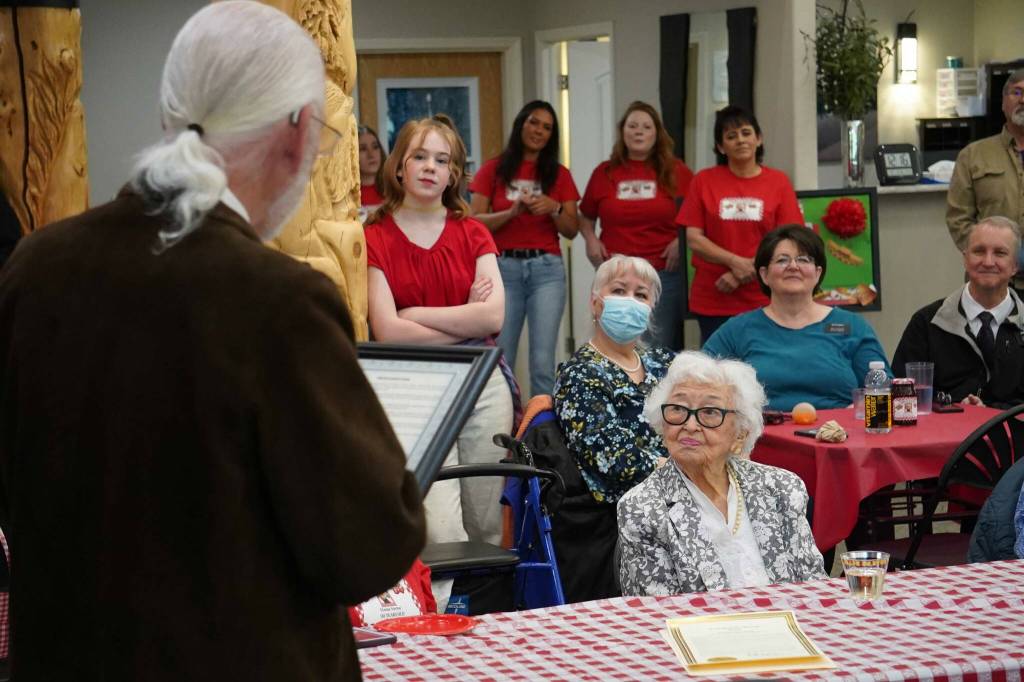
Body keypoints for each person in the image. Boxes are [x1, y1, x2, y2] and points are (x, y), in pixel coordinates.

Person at [0, 3, 425, 680]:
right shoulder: (276, 299)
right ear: (297, 130)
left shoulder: (35, 268)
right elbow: (365, 547)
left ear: (171, 118)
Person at [365, 118, 514, 552]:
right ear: (399, 167)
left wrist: (417, 314)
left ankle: (486, 614)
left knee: (486, 521)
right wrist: (462, 318)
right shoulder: (374, 235)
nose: (431, 167)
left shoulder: (473, 232)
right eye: (420, 156)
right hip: (415, 387)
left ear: (453, 174)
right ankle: (445, 614)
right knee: (440, 527)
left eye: (442, 160)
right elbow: (389, 333)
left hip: (483, 384)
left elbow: (492, 318)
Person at [618, 351, 827, 595]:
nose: (690, 425)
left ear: (740, 433)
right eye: (677, 408)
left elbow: (814, 589)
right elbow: (661, 613)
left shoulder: (782, 488)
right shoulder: (642, 508)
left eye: (710, 412)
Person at [553, 255, 674, 601]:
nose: (630, 302)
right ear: (595, 302)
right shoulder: (579, 373)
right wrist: (687, 470)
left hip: (682, 495)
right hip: (621, 514)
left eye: (641, 295)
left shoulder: (666, 364)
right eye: (619, 290)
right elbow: (611, 460)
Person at [703, 225, 889, 411]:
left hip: (839, 434)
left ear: (817, 274)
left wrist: (857, 412)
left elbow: (885, 391)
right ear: (764, 275)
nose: (793, 266)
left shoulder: (852, 326)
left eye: (803, 259)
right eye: (782, 260)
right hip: (762, 435)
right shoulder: (737, 329)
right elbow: (696, 380)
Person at [470, 100, 580, 397]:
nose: (539, 131)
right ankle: (504, 426)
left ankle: (539, 433)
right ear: (521, 124)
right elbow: (473, 223)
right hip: (503, 270)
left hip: (547, 271)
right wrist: (510, 213)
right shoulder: (494, 169)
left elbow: (573, 228)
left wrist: (554, 207)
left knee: (543, 361)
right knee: (500, 355)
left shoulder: (559, 174)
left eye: (547, 127)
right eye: (534, 122)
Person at [676, 105, 804, 344]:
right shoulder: (703, 180)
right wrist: (735, 262)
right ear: (720, 147)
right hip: (714, 296)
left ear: (759, 138)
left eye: (746, 133)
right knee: (717, 374)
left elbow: (789, 239)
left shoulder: (778, 182)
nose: (740, 140)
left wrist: (744, 273)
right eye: (731, 136)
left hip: (766, 297)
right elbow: (694, 238)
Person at [579, 101, 694, 350]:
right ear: (623, 132)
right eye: (632, 126)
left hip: (663, 275)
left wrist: (680, 240)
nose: (638, 131)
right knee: (614, 342)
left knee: (656, 347)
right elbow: (586, 217)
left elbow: (695, 215)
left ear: (657, 134)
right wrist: (590, 239)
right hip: (616, 275)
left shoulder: (677, 172)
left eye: (646, 127)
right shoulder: (605, 172)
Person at [893, 216, 1024, 408]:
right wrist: (952, 407)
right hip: (946, 436)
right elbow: (900, 398)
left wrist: (990, 413)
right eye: (979, 251)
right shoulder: (926, 324)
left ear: (1015, 266)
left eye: (1000, 253)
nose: (988, 262)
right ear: (965, 259)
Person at [946, 69, 1024, 279]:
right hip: (991, 282)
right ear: (1003, 102)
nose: (1023, 99)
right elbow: (958, 218)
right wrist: (988, 256)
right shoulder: (973, 155)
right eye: (1016, 92)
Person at [358, 124, 386, 222]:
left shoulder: (395, 190)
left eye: (375, 147)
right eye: (363, 149)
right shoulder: (343, 197)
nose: (371, 154)